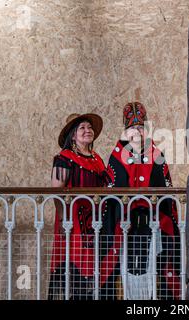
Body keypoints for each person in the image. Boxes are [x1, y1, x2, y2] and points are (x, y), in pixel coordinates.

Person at [100, 102, 181, 300]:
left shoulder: (156, 154)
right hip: (124, 223)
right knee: (122, 268)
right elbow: (111, 191)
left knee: (158, 267)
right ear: (125, 131)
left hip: (153, 223)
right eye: (132, 128)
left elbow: (165, 187)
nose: (136, 132)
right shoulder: (116, 156)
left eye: (140, 128)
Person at [48, 113, 111, 300]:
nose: (87, 131)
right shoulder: (64, 158)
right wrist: (62, 217)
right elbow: (57, 191)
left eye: (89, 127)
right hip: (74, 221)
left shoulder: (97, 158)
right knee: (76, 266)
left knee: (96, 267)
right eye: (82, 128)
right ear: (73, 135)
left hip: (97, 220)